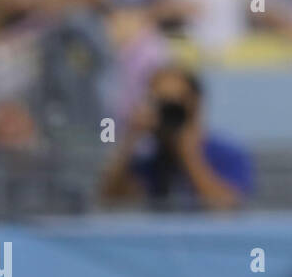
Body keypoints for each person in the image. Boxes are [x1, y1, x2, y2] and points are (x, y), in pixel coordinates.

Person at [99, 63, 253, 211]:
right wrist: (131, 138)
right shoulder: (151, 161)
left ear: (195, 104)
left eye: (175, 104)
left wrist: (190, 155)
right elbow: (110, 199)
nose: (169, 114)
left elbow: (227, 210)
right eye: (162, 104)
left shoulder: (228, 154)